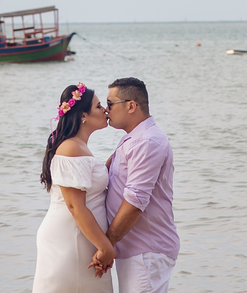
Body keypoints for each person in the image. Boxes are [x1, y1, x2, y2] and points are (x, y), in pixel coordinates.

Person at [34, 84, 115, 293]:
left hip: (84, 237)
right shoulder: (71, 148)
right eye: (99, 106)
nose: (105, 110)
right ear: (83, 116)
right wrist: (106, 247)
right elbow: (75, 206)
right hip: (70, 240)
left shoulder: (79, 147)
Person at [100, 77, 179, 293]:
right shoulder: (134, 138)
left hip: (146, 251)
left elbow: (135, 202)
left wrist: (106, 244)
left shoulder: (146, 141)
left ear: (131, 106)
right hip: (134, 249)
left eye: (110, 104)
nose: (106, 110)